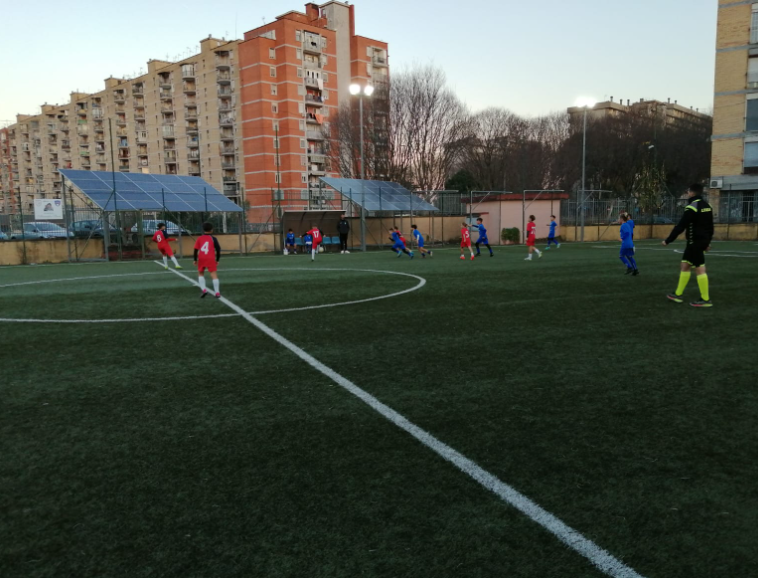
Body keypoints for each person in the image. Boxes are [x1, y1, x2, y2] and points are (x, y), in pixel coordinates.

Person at [663, 183, 714, 307]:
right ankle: (678, 294)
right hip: (697, 242)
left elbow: (681, 226)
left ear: (691, 193)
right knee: (685, 265)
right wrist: (707, 242)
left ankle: (705, 299)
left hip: (695, 243)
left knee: (700, 269)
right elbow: (710, 227)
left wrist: (668, 240)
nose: (687, 193)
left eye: (688, 191)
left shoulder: (692, 207)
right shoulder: (708, 206)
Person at [193, 222, 222, 298]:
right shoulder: (213, 239)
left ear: (203, 230)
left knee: (200, 273)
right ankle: (217, 292)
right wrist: (217, 260)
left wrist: (195, 259)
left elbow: (195, 250)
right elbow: (218, 249)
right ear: (212, 230)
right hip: (210, 258)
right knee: (213, 274)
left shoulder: (199, 238)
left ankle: (204, 289)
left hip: (201, 258)